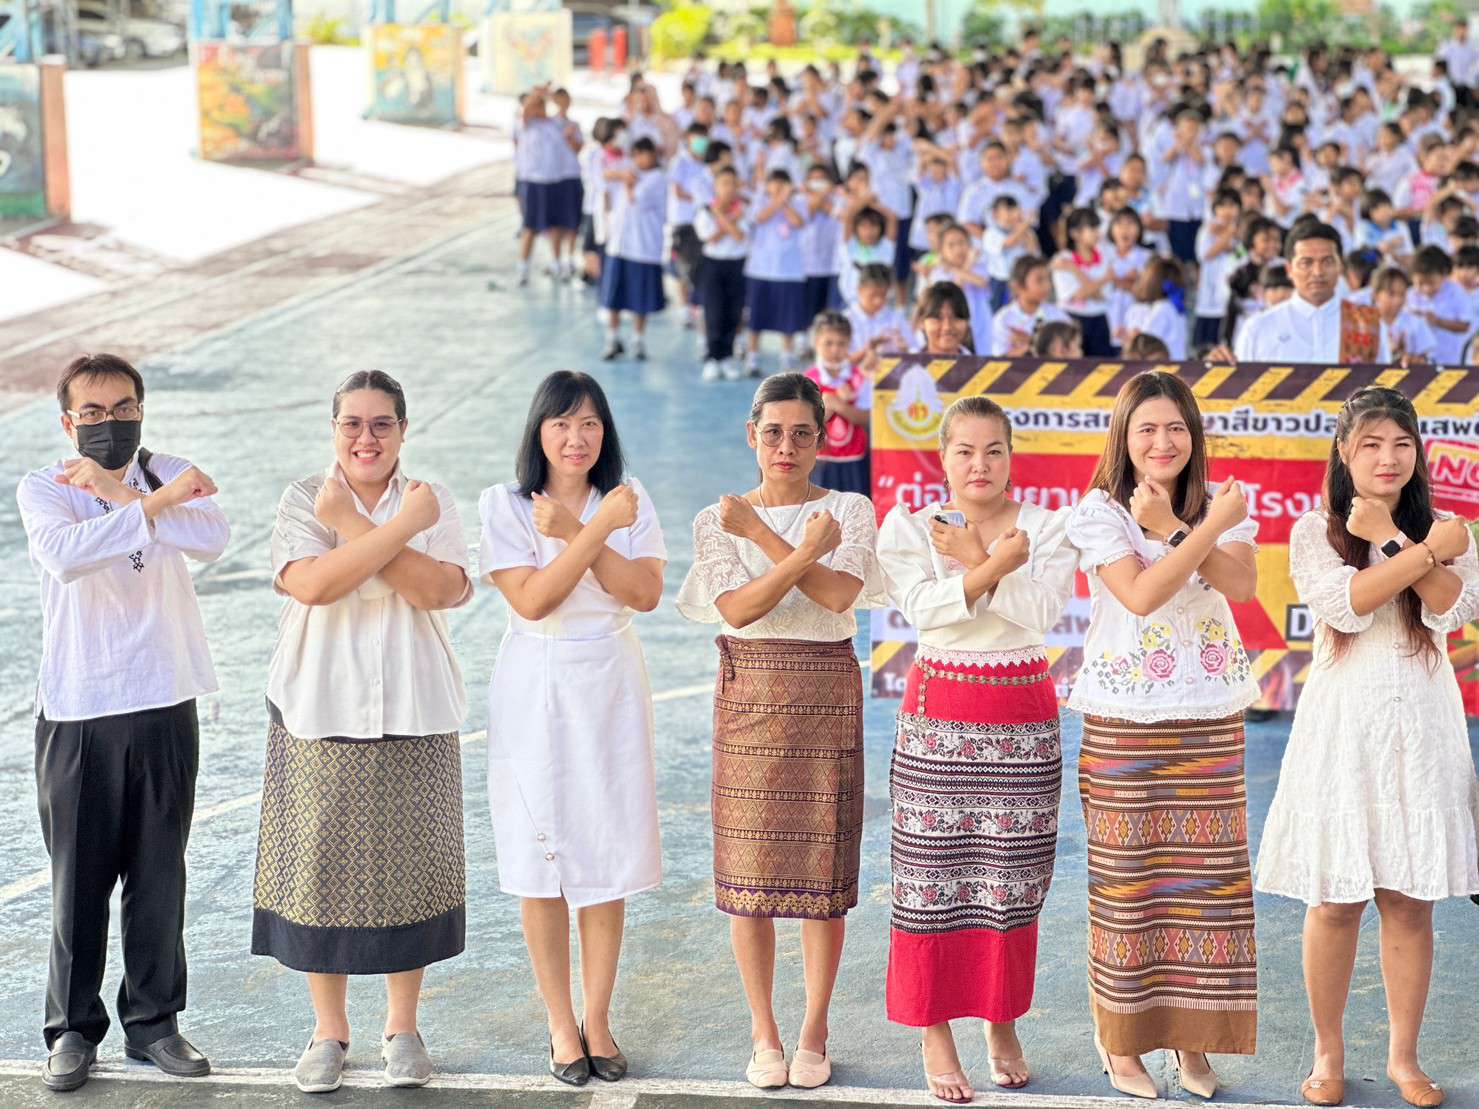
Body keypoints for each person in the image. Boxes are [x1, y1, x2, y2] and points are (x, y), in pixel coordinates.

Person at [1255, 387, 1479, 1109]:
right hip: (1342, 729)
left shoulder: (1451, 529)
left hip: (1422, 727)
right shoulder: (1314, 530)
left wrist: (1397, 538)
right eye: (1372, 444)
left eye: (1401, 444)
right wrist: (1414, 549)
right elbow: (1347, 604)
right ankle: (1328, 1051)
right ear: (1344, 453)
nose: (1388, 457)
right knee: (1334, 900)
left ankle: (1404, 1057)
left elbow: (1449, 604)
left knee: (1410, 902)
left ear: (1418, 453)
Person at [255, 371, 471, 1094]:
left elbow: (437, 589)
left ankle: (402, 1028)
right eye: (352, 423)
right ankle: (329, 1030)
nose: (366, 437)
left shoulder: (429, 501)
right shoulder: (302, 498)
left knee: (411, 870)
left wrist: (355, 529)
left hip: (414, 702)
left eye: (382, 424)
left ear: (403, 430)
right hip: (320, 704)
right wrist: (399, 535)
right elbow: (314, 585)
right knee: (320, 872)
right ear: (334, 429)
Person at [18, 353, 227, 1093]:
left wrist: (124, 491)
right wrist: (155, 506)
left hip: (165, 697)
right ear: (68, 421)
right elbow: (66, 555)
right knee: (79, 881)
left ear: (142, 410)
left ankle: (154, 1022)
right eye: (94, 412)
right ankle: (72, 1029)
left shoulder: (168, 470)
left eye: (124, 408)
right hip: (81, 706)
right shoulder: (45, 486)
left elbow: (211, 538)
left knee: (159, 872)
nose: (111, 422)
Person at [675, 373, 884, 1091]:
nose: (785, 446)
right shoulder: (717, 518)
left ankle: (813, 1029)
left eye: (800, 433)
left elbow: (838, 594)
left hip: (825, 690)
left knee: (823, 873)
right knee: (750, 874)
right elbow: (738, 609)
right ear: (751, 436)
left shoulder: (849, 509)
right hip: (751, 694)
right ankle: (764, 1030)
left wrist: (766, 540)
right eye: (772, 433)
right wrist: (798, 551)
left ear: (822, 438)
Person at [1065, 371, 1261, 1100]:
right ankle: (1120, 1044)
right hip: (1124, 721)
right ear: (1123, 437)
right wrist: (1195, 529)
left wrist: (1180, 526)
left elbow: (1240, 587)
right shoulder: (1098, 512)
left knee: (1205, 890)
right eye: (1145, 428)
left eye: (1174, 427)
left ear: (1193, 434)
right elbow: (1143, 595)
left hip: (1209, 716)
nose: (1161, 441)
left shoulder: (1221, 505)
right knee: (1130, 889)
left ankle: (1192, 1040)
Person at [877, 396, 1077, 1102]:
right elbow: (923, 610)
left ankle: (1001, 1019)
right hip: (939, 718)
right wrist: (990, 565)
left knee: (1010, 882)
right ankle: (933, 1029)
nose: (979, 464)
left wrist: (974, 561)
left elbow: (1042, 612)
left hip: (1022, 718)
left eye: (993, 449)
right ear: (942, 457)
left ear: (1011, 456)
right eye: (964, 450)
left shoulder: (1046, 527)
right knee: (929, 877)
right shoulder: (910, 526)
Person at [481, 372, 666, 1088]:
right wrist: (591, 531)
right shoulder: (505, 503)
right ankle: (561, 1022)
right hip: (536, 683)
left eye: (589, 423)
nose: (575, 437)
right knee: (541, 855)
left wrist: (587, 528)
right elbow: (532, 599)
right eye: (560, 423)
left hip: (609, 682)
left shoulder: (627, 497)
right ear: (538, 430)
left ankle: (599, 1015)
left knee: (606, 847)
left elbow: (643, 592)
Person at [1234, 220, 1390, 362]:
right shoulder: (1258, 328)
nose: (1317, 272)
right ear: (1289, 269)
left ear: (1340, 267)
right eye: (1306, 263)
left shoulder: (1368, 323)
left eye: (1327, 261)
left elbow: (1384, 382)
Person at [600, 137, 668, 362]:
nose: (641, 159)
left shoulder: (657, 178)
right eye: (637, 155)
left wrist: (627, 181)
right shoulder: (627, 171)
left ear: (653, 155)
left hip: (643, 248)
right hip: (619, 246)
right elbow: (603, 174)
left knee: (641, 300)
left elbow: (636, 198)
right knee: (614, 298)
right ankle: (612, 338)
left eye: (645, 154)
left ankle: (638, 339)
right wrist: (621, 175)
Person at [805, 311, 872, 495]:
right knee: (820, 508)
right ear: (816, 343)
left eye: (841, 344)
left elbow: (866, 418)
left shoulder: (859, 377)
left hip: (855, 459)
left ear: (850, 343)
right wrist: (828, 407)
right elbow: (806, 425)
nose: (835, 350)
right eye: (828, 343)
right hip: (820, 461)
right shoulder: (807, 380)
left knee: (856, 508)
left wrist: (839, 405)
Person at [695, 164, 752, 382]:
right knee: (713, 311)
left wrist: (723, 218)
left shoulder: (745, 209)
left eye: (733, 184)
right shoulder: (705, 211)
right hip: (713, 264)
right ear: (716, 187)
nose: (729, 188)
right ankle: (712, 358)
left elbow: (739, 236)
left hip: (737, 264)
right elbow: (711, 238)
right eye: (724, 183)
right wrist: (726, 217)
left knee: (734, 311)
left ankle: (727, 357)